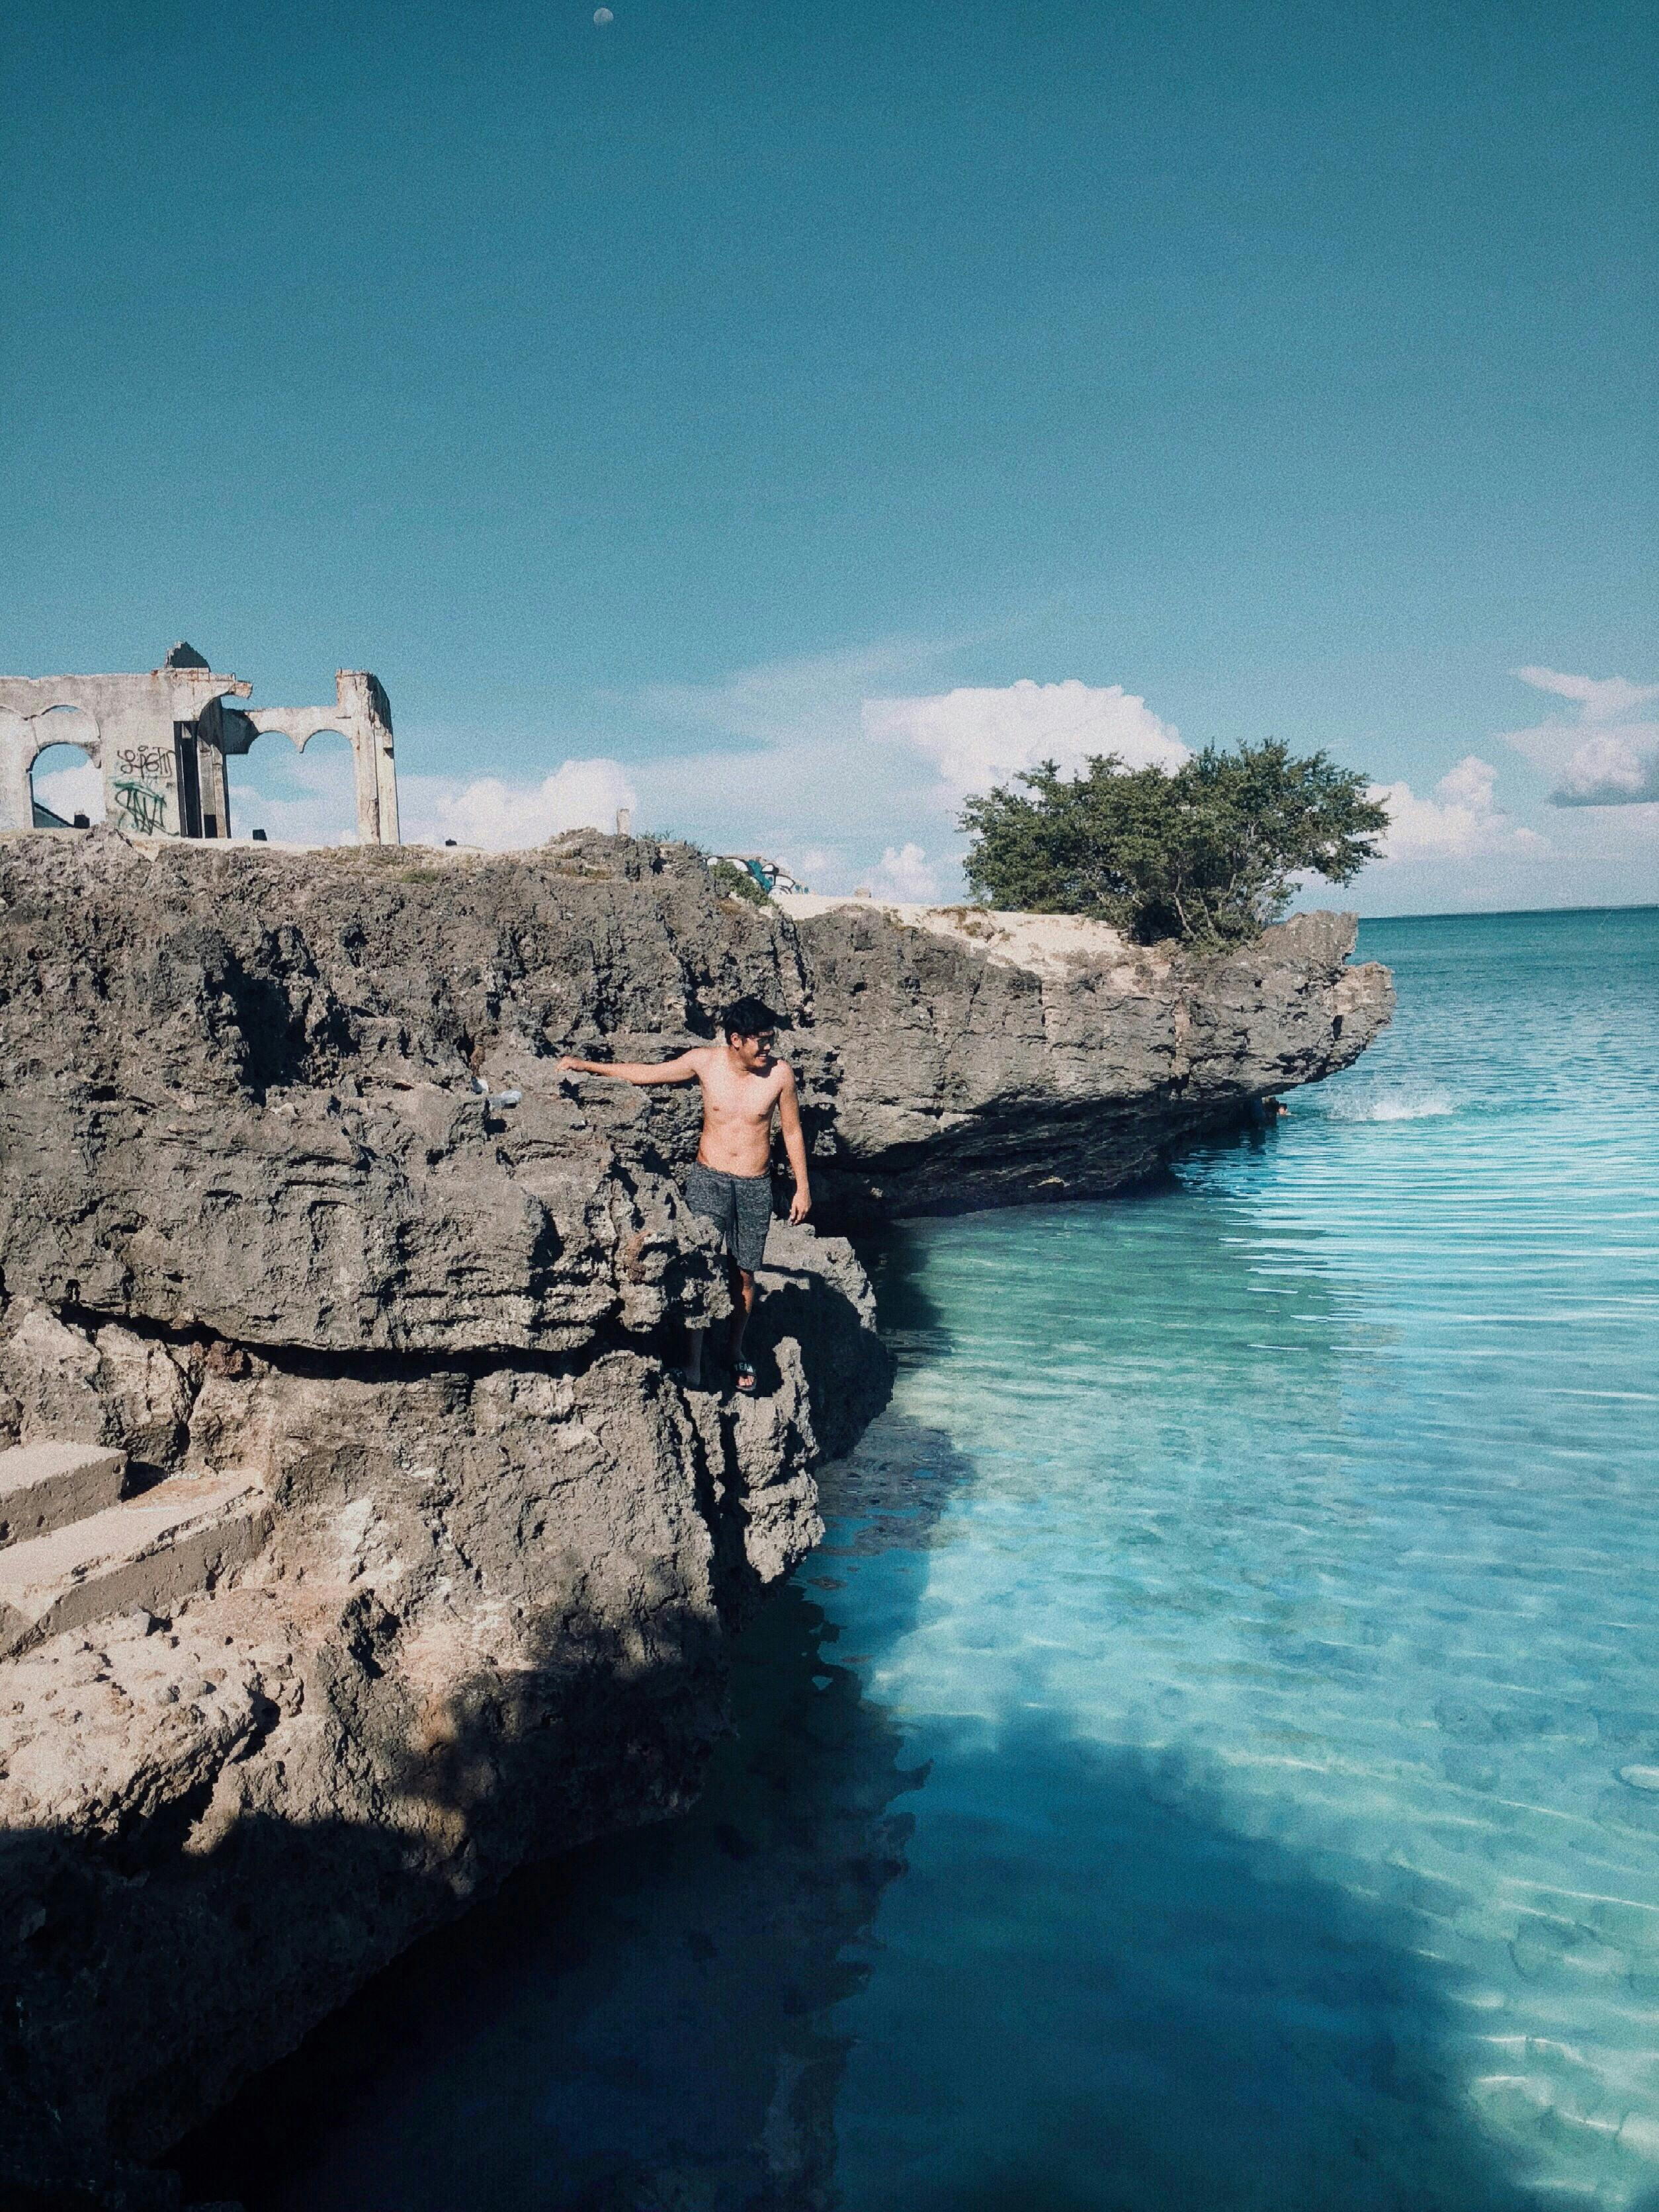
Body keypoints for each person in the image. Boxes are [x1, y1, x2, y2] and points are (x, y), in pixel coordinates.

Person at [557, 997, 810, 1394]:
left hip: (755, 1186)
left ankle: (734, 1349)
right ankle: (692, 1362)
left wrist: (802, 1188)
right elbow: (646, 1074)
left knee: (744, 1272)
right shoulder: (705, 1063)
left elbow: (792, 1131)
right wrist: (587, 1066)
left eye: (771, 1040)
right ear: (736, 1040)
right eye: (760, 1042)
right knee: (703, 1267)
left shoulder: (780, 1075)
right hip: (709, 1179)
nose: (768, 1049)